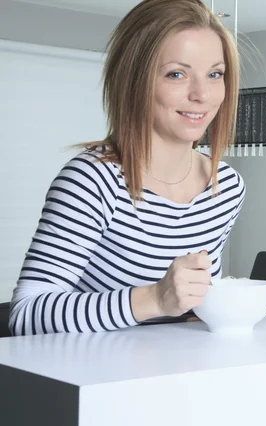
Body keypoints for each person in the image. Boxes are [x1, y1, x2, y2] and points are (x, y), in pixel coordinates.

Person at [9, 0, 245, 335]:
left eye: (215, 74)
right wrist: (153, 299)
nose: (202, 94)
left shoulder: (226, 187)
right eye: (177, 74)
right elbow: (27, 315)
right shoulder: (92, 181)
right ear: (135, 81)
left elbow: (195, 306)